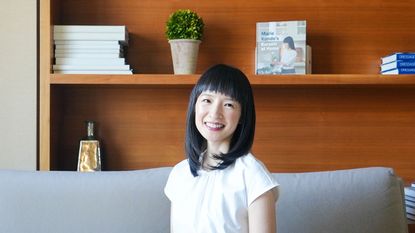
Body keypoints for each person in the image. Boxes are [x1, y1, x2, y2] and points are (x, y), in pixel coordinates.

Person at [164, 64, 279, 233]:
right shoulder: (179, 174)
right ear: (194, 106)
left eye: (228, 104)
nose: (215, 113)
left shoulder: (252, 174)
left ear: (242, 116)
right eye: (207, 100)